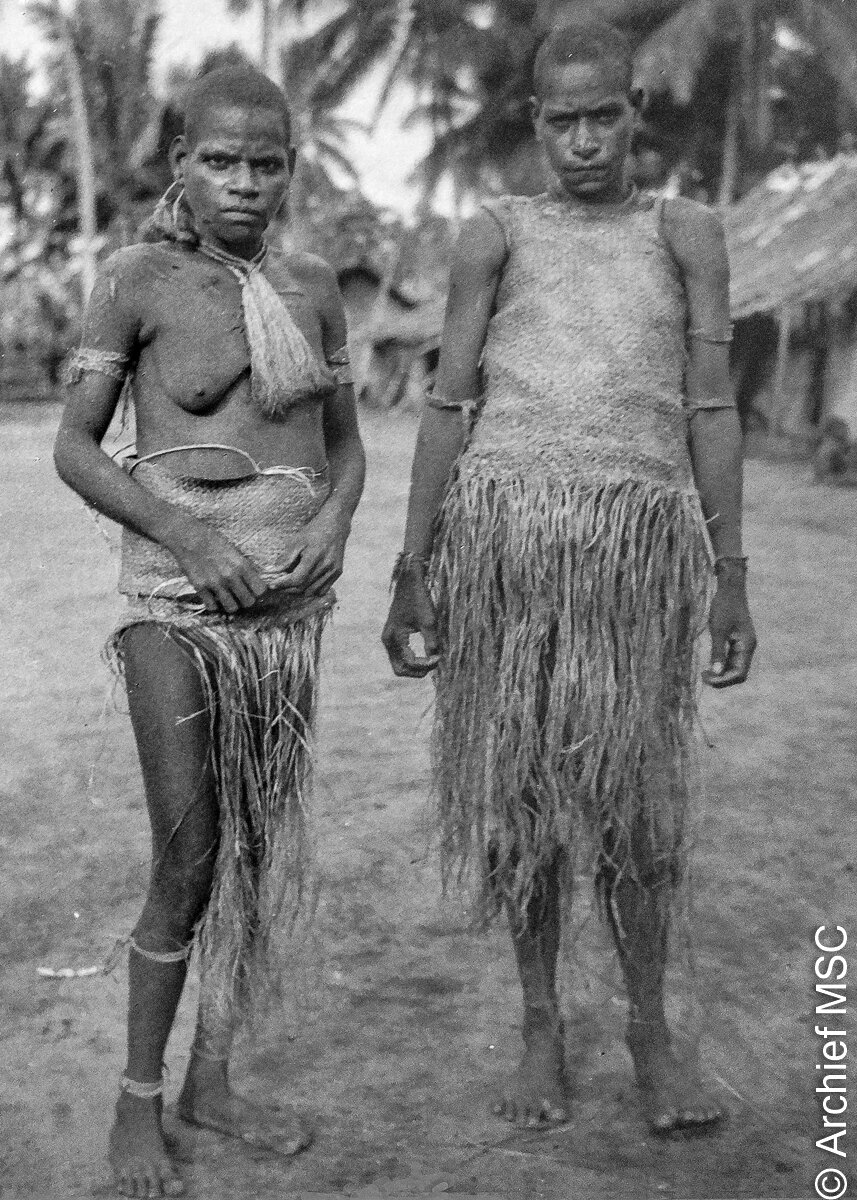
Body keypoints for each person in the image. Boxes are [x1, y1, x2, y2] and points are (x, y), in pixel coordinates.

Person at [382, 22, 756, 1136]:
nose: (583, 141)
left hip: (634, 555)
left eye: (604, 115)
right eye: (562, 120)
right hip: (503, 547)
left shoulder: (684, 232)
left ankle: (647, 1032)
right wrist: (414, 568)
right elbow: (448, 406)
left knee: (637, 809)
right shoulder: (495, 232)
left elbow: (711, 408)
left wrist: (728, 574)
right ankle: (540, 1023)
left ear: (636, 108)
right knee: (522, 807)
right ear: (535, 123)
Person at [54, 66, 365, 1197]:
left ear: (291, 165)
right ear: (178, 160)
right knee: (187, 853)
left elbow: (345, 446)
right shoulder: (136, 279)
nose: (245, 183)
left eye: (267, 162)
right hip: (173, 613)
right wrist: (191, 539)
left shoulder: (311, 283)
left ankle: (213, 1080)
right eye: (222, 160)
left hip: (287, 620)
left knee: (255, 850)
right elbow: (78, 448)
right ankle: (137, 1105)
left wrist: (331, 520)